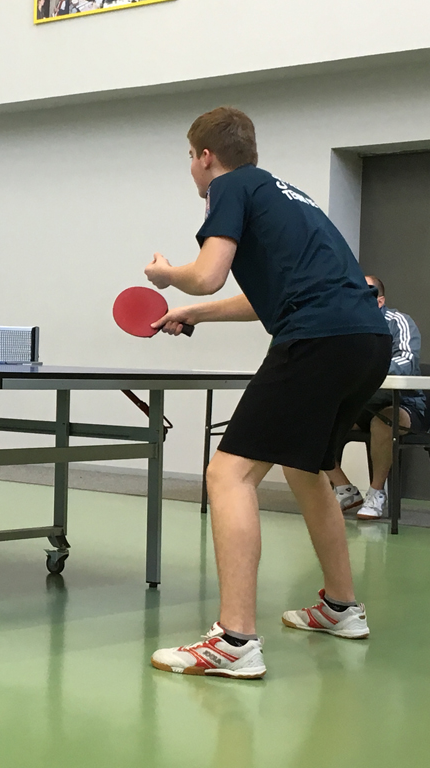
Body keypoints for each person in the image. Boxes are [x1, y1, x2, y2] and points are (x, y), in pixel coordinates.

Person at [143, 107, 391, 679]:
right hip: (364, 340)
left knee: (228, 474)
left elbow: (208, 273)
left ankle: (233, 640)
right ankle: (341, 608)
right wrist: (195, 313)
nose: (192, 168)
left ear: (207, 156)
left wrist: (168, 275)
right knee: (307, 469)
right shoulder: (286, 194)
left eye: (191, 157)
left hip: (318, 339)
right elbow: (268, 298)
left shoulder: (229, 186)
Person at [327, 275, 426, 519]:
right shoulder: (344, 327)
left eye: (365, 292)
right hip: (361, 404)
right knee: (312, 424)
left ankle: (376, 493)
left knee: (383, 422)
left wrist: (364, 370)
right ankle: (345, 489)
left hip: (404, 403)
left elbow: (406, 361)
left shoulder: (398, 322)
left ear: (379, 300)